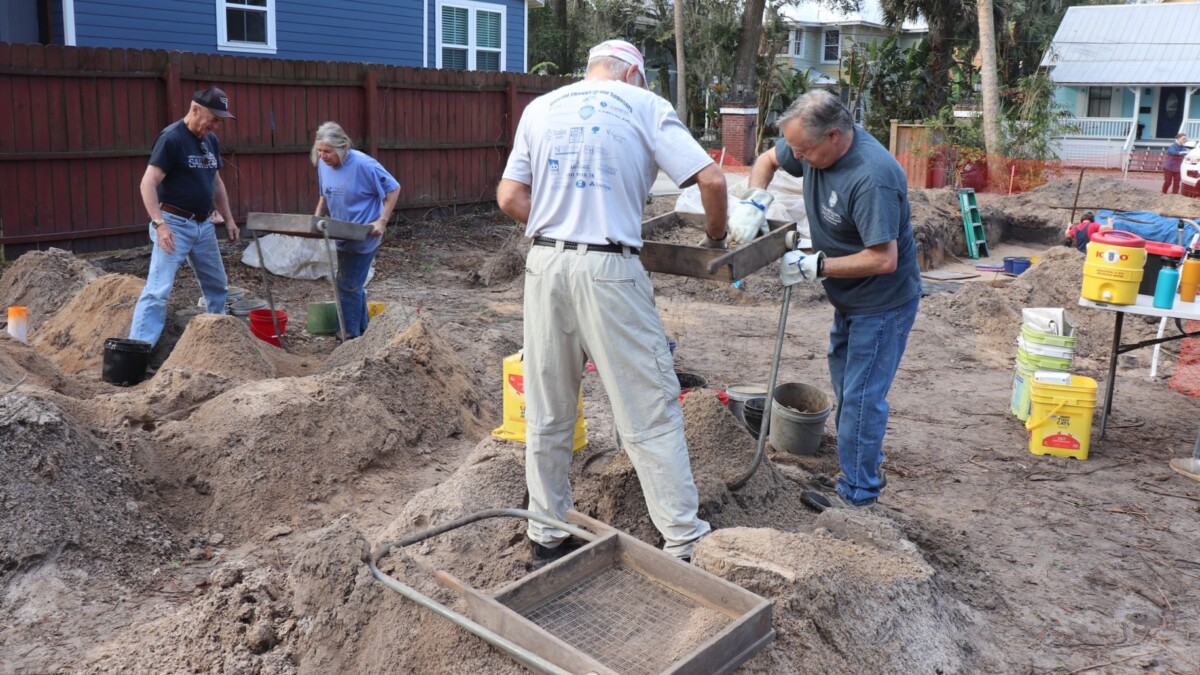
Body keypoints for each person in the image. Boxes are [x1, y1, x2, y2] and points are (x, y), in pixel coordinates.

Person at [497, 39, 727, 564]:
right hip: (609, 268)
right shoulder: (645, 105)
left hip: (545, 265)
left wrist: (560, 219)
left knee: (550, 407)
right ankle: (685, 541)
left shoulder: (540, 107)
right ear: (632, 75)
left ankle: (546, 535)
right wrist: (716, 237)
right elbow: (711, 178)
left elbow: (510, 197)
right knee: (648, 408)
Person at [738, 90, 922, 511]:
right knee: (847, 388)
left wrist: (815, 267)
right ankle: (863, 463)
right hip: (849, 298)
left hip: (882, 302)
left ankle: (858, 498)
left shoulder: (873, 177)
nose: (797, 158)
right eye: (794, 148)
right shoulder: (809, 143)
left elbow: (884, 258)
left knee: (859, 399)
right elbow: (766, 161)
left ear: (836, 136)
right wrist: (754, 201)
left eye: (804, 151)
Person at [129, 86, 240, 347]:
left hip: (204, 225)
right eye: (213, 119)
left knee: (217, 286)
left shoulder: (209, 141)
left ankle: (218, 343)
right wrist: (160, 224)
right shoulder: (172, 139)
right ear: (195, 109)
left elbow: (217, 183)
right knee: (158, 290)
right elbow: (148, 183)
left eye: (219, 121)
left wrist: (230, 219)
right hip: (174, 226)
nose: (216, 126)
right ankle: (138, 350)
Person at [311, 121, 400, 339]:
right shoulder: (324, 164)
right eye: (319, 151)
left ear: (342, 147)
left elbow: (394, 188)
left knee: (347, 286)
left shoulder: (364, 164)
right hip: (341, 232)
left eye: (328, 152)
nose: (322, 156)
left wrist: (382, 221)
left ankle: (348, 336)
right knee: (353, 284)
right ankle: (362, 333)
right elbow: (325, 193)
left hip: (364, 233)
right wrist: (316, 217)